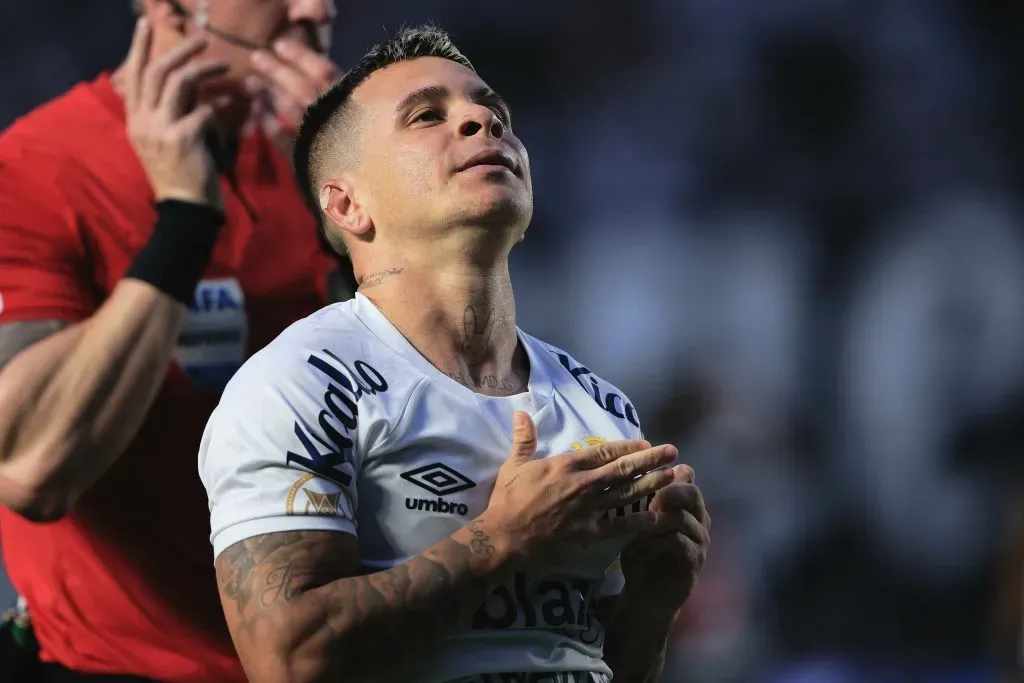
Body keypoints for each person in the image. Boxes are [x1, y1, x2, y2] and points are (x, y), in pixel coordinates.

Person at [200, 25, 711, 683]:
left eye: (492, 112)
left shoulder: (599, 404)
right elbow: (289, 659)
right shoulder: (298, 384)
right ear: (349, 204)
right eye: (427, 116)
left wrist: (652, 603)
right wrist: (501, 538)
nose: (481, 120)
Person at [0, 1, 346, 680]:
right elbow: (31, 466)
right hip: (113, 666)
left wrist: (372, 194)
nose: (316, 7)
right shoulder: (33, 168)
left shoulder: (322, 161)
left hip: (322, 657)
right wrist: (184, 226)